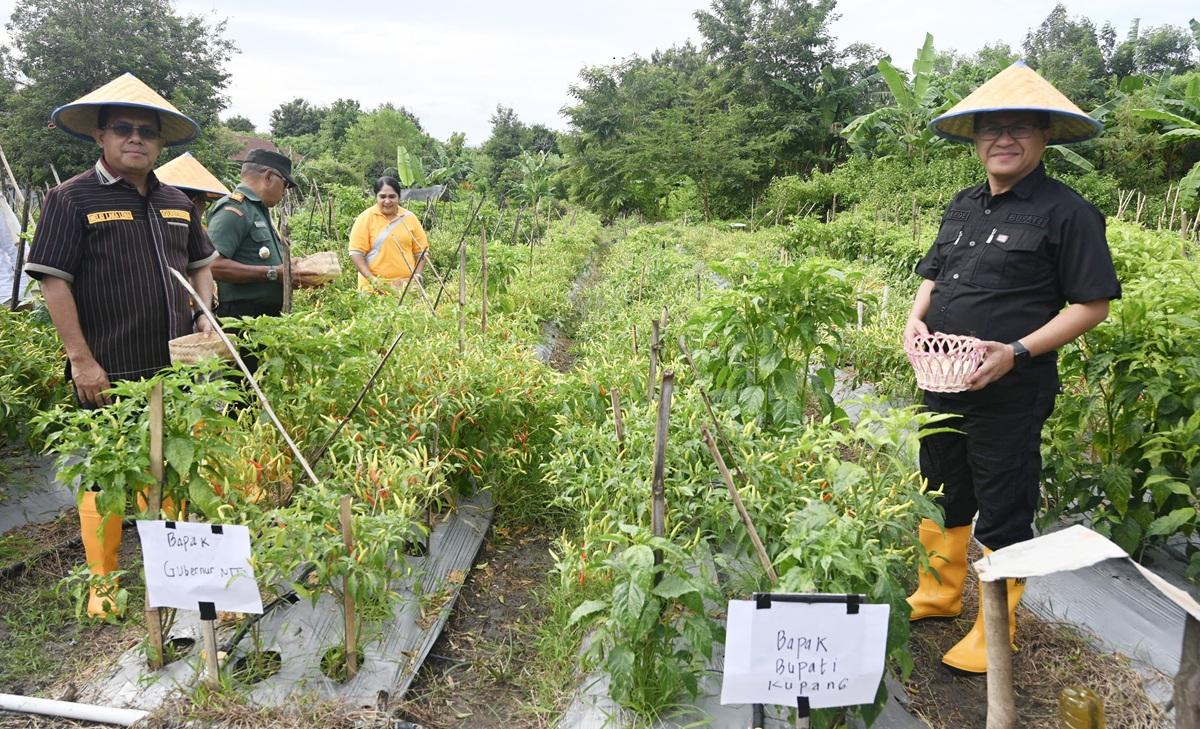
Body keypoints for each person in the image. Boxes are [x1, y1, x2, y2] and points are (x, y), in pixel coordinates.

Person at [902, 61, 1122, 674]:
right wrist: (915, 320)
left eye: (1018, 127)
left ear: (1044, 136)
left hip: (1011, 387)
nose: (1003, 139)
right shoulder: (964, 204)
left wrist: (1016, 352)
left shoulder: (1067, 212)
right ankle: (941, 593)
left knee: (1004, 501)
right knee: (940, 483)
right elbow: (933, 275)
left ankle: (994, 627)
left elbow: (1091, 305)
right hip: (942, 376)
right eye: (990, 129)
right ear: (974, 139)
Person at [24, 72, 216, 618]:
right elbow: (54, 282)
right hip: (109, 369)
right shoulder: (71, 198)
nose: (137, 139)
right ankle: (103, 582)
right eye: (124, 129)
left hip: (174, 366)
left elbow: (200, 266)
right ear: (101, 137)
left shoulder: (179, 200)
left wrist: (204, 315)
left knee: (175, 470)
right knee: (106, 475)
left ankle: (177, 577)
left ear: (160, 143)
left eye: (147, 133)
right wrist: (82, 361)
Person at [207, 148, 308, 317]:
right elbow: (212, 266)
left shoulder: (257, 210)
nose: (284, 192)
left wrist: (290, 270)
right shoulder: (234, 209)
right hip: (244, 317)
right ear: (268, 177)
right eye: (285, 184)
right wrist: (273, 273)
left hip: (265, 316)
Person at [347, 176, 430, 294]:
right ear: (376, 197)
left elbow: (421, 251)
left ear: (399, 197)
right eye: (382, 196)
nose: (387, 201)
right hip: (373, 288)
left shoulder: (409, 218)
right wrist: (372, 279)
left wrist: (417, 275)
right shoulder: (365, 218)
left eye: (392, 196)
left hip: (405, 287)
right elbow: (356, 253)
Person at [154, 151, 230, 221]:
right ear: (194, 202)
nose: (204, 207)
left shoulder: (154, 220)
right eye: (204, 201)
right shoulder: (194, 231)